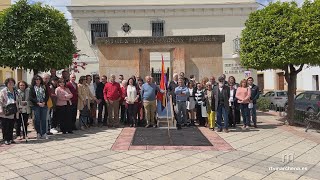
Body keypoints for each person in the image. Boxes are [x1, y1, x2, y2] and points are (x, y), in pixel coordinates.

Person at [0, 78, 18, 145]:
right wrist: (0, 110)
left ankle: (10, 138)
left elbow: (18, 99)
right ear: (6, 84)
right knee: (5, 126)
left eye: (12, 82)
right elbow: (0, 101)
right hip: (5, 111)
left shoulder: (15, 91)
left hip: (13, 111)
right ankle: (6, 139)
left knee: (11, 125)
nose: (11, 84)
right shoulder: (3, 91)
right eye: (9, 82)